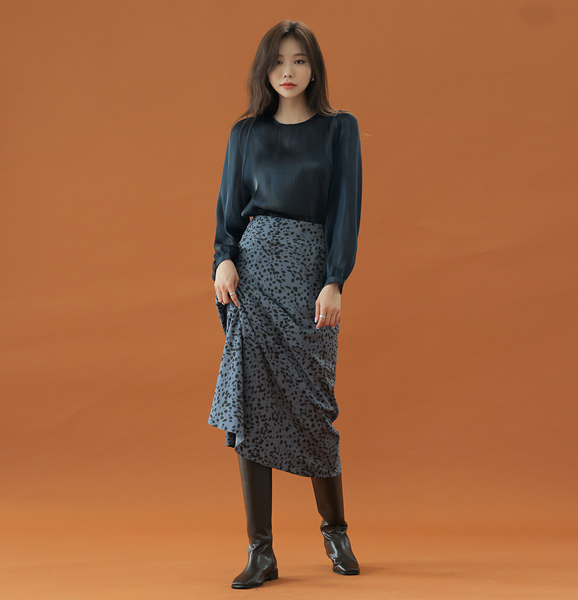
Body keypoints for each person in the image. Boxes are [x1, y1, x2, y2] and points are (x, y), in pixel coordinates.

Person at [208, 20, 362, 589]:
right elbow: (229, 210)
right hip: (252, 275)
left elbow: (345, 209)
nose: (288, 72)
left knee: (314, 404)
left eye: (299, 60)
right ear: (264, 70)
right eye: (278, 62)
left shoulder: (338, 129)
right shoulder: (245, 133)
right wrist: (223, 259)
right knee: (251, 407)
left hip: (308, 274)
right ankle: (261, 551)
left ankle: (336, 532)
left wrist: (334, 280)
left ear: (314, 68)